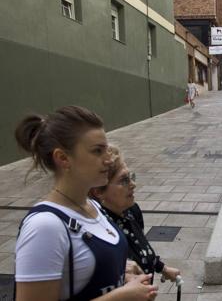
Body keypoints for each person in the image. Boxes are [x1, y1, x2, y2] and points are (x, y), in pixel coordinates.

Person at [14, 106, 157, 301]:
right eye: (98, 151)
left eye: (106, 149)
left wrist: (117, 270)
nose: (109, 159)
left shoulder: (93, 206)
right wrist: (120, 297)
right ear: (63, 158)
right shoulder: (45, 227)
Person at [89, 146, 181, 283]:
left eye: (131, 177)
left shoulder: (132, 211)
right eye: (124, 180)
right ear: (98, 192)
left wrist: (163, 268)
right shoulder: (98, 231)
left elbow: (141, 249)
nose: (133, 184)